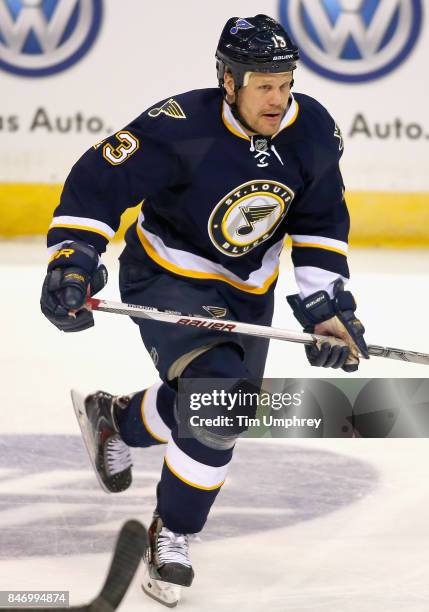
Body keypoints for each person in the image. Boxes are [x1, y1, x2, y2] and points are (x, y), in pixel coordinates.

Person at [40, 14, 368, 606]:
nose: (277, 97)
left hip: (249, 287)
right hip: (168, 275)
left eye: (285, 82)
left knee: (224, 407)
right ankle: (173, 535)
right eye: (263, 84)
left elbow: (320, 224)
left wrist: (325, 306)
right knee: (219, 402)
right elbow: (97, 184)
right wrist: (73, 258)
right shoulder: (179, 126)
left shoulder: (312, 129)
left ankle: (116, 418)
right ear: (229, 79)